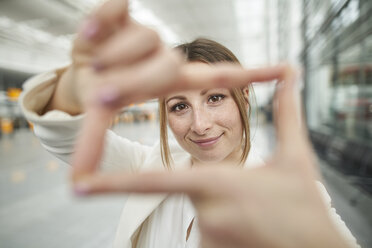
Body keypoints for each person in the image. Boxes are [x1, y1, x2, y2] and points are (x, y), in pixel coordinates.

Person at [19, 0, 359, 247]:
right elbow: (66, 139)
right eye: (180, 106)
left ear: (243, 96)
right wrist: (77, 90)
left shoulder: (296, 198)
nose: (200, 124)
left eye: (215, 98)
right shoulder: (153, 166)